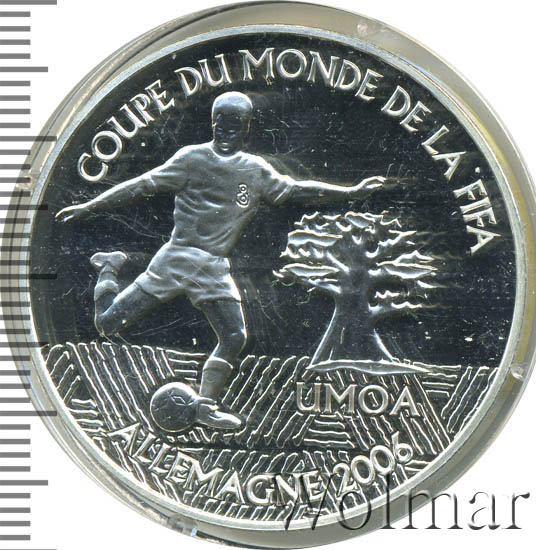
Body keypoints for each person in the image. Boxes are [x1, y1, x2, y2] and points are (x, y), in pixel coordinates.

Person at [56, 91, 388, 430]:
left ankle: (205, 407)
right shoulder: (191, 158)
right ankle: (109, 266)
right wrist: (90, 206)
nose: (226, 129)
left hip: (213, 266)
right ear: (212, 123)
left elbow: (297, 189)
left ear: (246, 127)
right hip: (177, 258)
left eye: (235, 123)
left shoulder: (255, 170)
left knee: (234, 336)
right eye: (221, 122)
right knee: (107, 325)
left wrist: (350, 192)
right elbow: (142, 185)